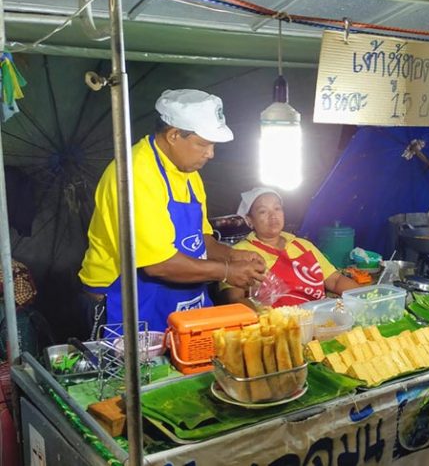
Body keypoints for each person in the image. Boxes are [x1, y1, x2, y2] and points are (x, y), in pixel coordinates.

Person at [78, 89, 265, 336]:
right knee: (137, 373)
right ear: (174, 135)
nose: (210, 153)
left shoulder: (189, 173)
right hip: (125, 300)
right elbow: (158, 265)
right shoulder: (134, 175)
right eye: (203, 144)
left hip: (180, 298)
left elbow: (202, 239)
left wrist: (232, 256)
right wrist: (227, 271)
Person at [219, 187, 359, 308]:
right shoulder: (239, 253)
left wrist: (367, 297)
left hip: (317, 321)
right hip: (275, 328)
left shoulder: (303, 245)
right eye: (263, 211)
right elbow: (233, 301)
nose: (273, 216)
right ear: (249, 220)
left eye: (277, 208)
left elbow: (335, 281)